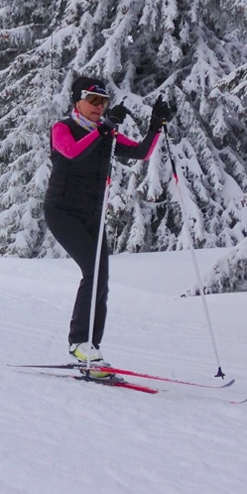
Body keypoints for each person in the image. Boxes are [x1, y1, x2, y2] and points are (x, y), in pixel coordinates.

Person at [44, 75, 174, 378]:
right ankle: (78, 341)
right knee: (92, 271)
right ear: (77, 101)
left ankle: (90, 349)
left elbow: (141, 152)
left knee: (101, 276)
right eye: (92, 100)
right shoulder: (63, 128)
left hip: (92, 214)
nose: (98, 107)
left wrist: (156, 126)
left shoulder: (106, 134)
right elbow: (72, 152)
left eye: (102, 102)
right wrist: (105, 129)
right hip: (61, 212)